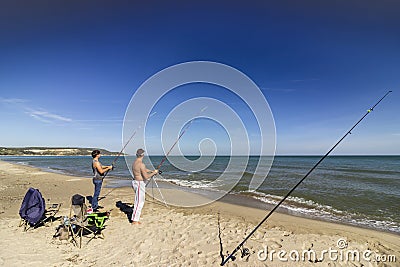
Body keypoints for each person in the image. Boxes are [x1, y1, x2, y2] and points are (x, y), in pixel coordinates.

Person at [131, 148, 158, 225]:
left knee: (139, 200)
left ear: (137, 155)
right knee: (139, 202)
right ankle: (135, 220)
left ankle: (136, 218)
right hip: (139, 183)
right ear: (143, 155)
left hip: (135, 182)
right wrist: (154, 173)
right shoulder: (141, 164)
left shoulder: (135, 162)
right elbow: (146, 177)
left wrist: (151, 171)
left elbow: (143, 170)